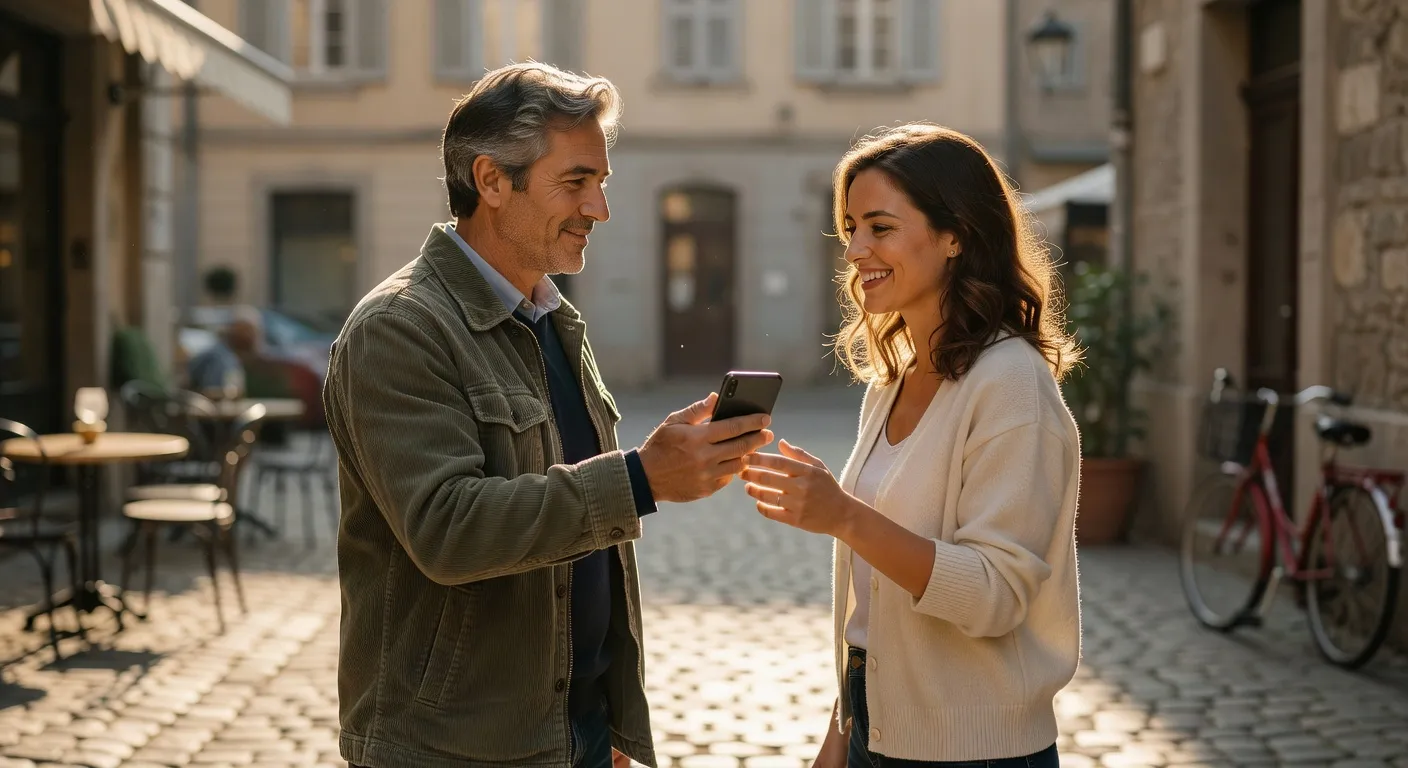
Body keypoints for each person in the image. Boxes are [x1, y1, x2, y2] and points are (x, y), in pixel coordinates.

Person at [322, 63, 773, 768]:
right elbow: (449, 530)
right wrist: (641, 479)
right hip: (452, 750)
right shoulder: (399, 328)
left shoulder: (553, 318)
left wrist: (607, 718)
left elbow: (584, 549)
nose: (599, 209)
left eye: (602, 183)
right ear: (492, 181)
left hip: (574, 732)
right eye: (576, 183)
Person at [739, 123, 1081, 768]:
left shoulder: (1011, 384)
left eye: (880, 227)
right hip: (877, 727)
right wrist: (841, 731)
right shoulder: (892, 383)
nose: (855, 250)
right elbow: (873, 604)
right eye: (849, 229)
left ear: (955, 235)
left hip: (974, 752)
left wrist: (842, 514)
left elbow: (996, 596)